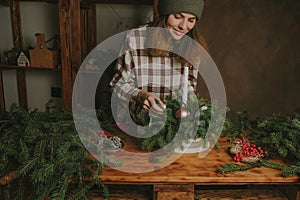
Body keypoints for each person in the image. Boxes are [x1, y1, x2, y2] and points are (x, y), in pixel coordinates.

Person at [110, 0, 208, 125]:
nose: (183, 26)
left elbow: (190, 88)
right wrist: (141, 96)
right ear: (165, 14)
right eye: (178, 17)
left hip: (172, 125)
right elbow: (116, 85)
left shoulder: (193, 47)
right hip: (135, 123)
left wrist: (192, 109)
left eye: (191, 20)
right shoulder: (135, 38)